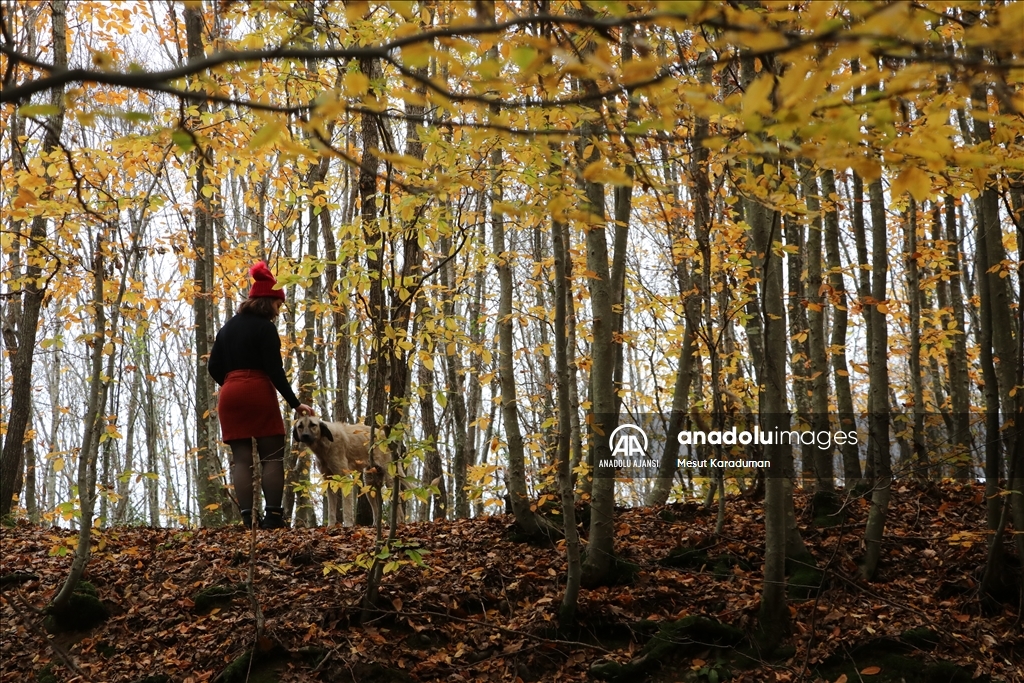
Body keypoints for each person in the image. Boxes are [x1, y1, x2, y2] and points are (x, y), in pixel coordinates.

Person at [208, 261, 313, 529]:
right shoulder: (266, 329)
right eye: (278, 305)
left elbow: (213, 367)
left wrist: (232, 383)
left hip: (230, 393)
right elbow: (275, 371)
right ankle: (274, 518)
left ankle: (246, 519)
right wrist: (295, 403)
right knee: (272, 455)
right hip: (258, 390)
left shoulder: (227, 328)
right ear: (269, 301)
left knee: (241, 458)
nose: (279, 311)